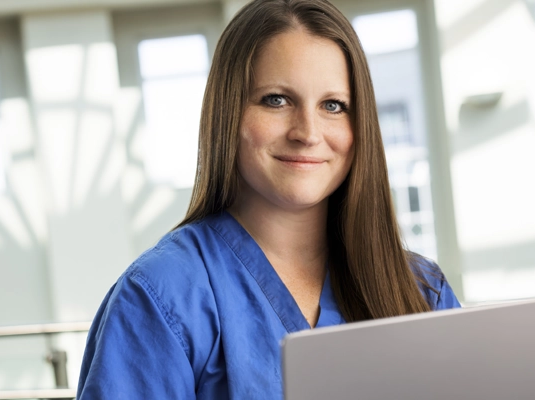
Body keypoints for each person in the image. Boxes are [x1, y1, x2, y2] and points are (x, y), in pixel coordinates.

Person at [74, 0, 461, 398]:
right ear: (229, 113)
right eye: (276, 99)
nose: (307, 132)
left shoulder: (420, 290)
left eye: (333, 105)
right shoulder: (162, 295)